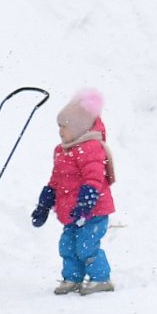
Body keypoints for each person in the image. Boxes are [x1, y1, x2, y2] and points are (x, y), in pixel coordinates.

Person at [33, 89, 116, 295]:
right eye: (59, 126)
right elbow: (55, 180)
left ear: (79, 128)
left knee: (86, 247)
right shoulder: (62, 151)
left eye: (65, 126)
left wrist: (86, 204)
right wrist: (44, 204)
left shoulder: (91, 148)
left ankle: (101, 279)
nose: (61, 131)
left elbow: (94, 179)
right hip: (71, 212)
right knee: (68, 247)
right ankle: (72, 278)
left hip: (93, 211)